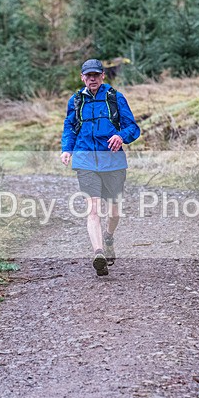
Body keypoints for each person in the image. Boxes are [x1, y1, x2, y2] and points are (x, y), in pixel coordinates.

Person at [60, 59, 141, 276]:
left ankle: (108, 236)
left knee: (114, 211)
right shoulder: (76, 100)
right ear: (82, 77)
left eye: (96, 75)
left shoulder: (115, 98)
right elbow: (70, 126)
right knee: (93, 209)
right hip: (85, 160)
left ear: (103, 76)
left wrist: (120, 136)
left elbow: (133, 127)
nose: (92, 79)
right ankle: (99, 254)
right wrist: (67, 149)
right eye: (88, 75)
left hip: (112, 162)